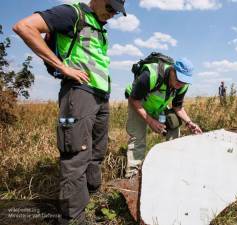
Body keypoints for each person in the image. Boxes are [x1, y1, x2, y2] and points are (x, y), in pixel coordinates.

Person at [13, 0, 126, 224]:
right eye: (110, 7)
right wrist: (61, 66)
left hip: (100, 96)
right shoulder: (72, 13)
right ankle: (73, 218)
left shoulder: (99, 26)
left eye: (117, 11)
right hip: (79, 94)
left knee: (96, 153)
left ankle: (92, 200)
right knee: (76, 154)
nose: (112, 14)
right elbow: (24, 27)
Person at [124, 58, 202, 178]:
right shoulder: (151, 75)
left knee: (174, 122)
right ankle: (132, 175)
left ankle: (171, 164)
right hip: (138, 103)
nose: (180, 83)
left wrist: (189, 122)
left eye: (184, 81)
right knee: (138, 138)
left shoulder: (182, 86)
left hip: (157, 107)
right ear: (172, 70)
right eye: (179, 78)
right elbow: (133, 99)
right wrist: (150, 121)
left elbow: (177, 107)